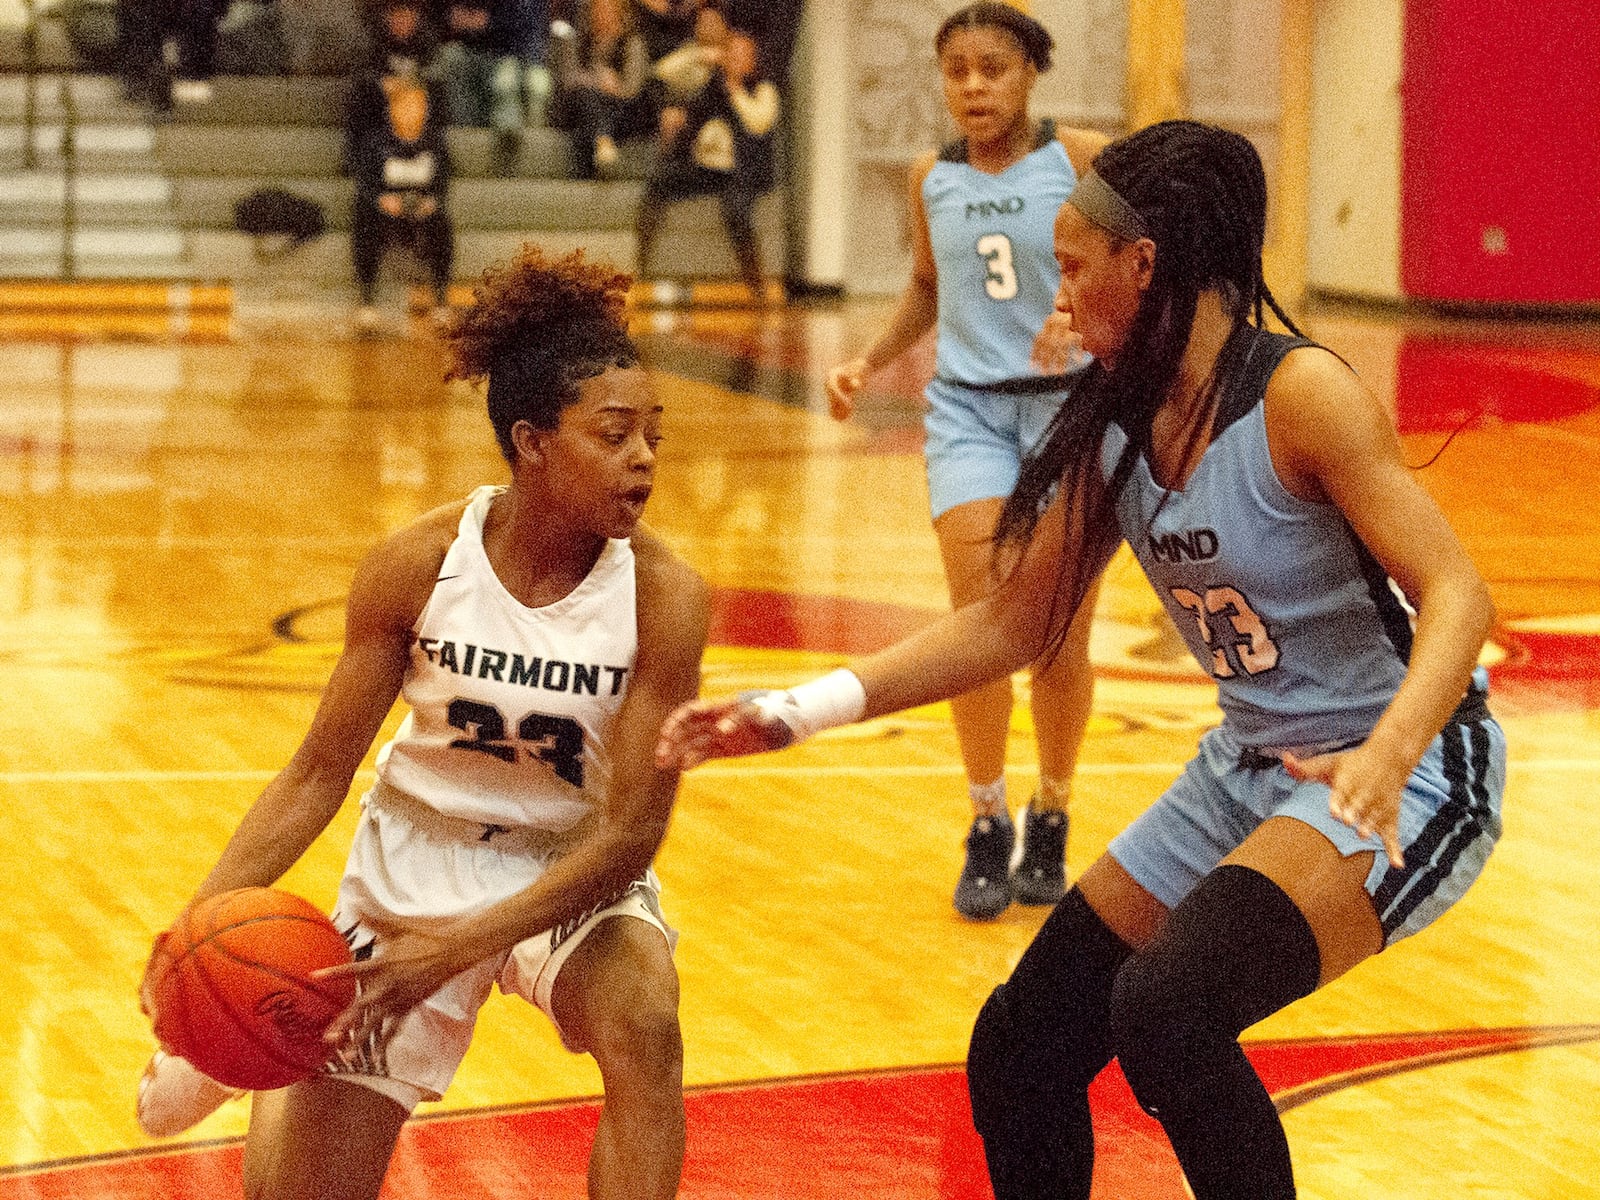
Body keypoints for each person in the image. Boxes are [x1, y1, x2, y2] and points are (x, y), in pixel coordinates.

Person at [656, 119, 1506, 1200]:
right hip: (1252, 769)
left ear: (1140, 263)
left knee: (1170, 1008)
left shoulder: (1299, 395)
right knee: (1020, 1044)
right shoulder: (1117, 420)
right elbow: (1012, 625)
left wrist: (1385, 756)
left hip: (1411, 770)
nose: (1054, 302)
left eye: (1069, 268)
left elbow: (1460, 596)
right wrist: (797, 710)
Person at [136, 247, 710, 1200]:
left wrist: (457, 949)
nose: (644, 457)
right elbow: (317, 776)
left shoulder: (668, 599)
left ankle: (280, 1031)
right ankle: (260, 1041)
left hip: (570, 867)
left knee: (646, 1023)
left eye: (654, 433)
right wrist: (198, 920)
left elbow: (631, 834)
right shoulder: (416, 565)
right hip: (416, 858)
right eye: (613, 435)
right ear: (530, 442)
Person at [826, 3, 1108, 921]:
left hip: (1072, 413)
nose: (974, 86)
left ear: (1031, 74)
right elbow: (924, 286)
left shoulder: (1083, 159)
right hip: (969, 414)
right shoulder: (928, 178)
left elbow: (1137, 267)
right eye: (957, 71)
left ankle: (1053, 808)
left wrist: (1083, 314)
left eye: (993, 68)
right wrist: (869, 359)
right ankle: (987, 816)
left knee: (1059, 629)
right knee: (984, 619)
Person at [634, 26, 777, 298]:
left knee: (736, 210)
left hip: (744, 172)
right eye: (730, 53)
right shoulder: (712, 83)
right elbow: (661, 71)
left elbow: (757, 124)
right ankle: (639, 269)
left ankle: (757, 286)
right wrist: (700, 55)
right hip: (705, 168)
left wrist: (736, 92)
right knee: (658, 185)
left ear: (752, 60)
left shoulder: (764, 89)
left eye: (740, 55)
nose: (733, 60)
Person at [345, 72, 456, 335]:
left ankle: (440, 299)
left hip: (421, 213)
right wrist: (382, 201)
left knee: (442, 223)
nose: (412, 112)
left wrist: (431, 202)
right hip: (386, 212)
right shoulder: (375, 143)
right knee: (364, 219)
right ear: (392, 108)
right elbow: (364, 185)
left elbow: (442, 184)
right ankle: (367, 300)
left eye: (419, 106)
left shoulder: (435, 144)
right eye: (406, 105)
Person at [434, 0, 554, 174]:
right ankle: (466, 139)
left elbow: (528, 33)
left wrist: (490, 22)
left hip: (509, 56)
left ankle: (509, 131)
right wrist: (457, 22)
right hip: (467, 50)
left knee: (509, 75)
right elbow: (445, 19)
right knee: (451, 57)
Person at [553, 0, 654, 178]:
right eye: (597, 11)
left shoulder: (631, 43)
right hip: (586, 105)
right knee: (586, 97)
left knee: (592, 105)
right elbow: (569, 80)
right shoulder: (580, 41)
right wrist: (599, 81)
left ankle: (601, 143)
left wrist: (614, 86)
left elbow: (632, 88)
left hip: (621, 108)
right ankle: (603, 141)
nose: (601, 16)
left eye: (607, 11)